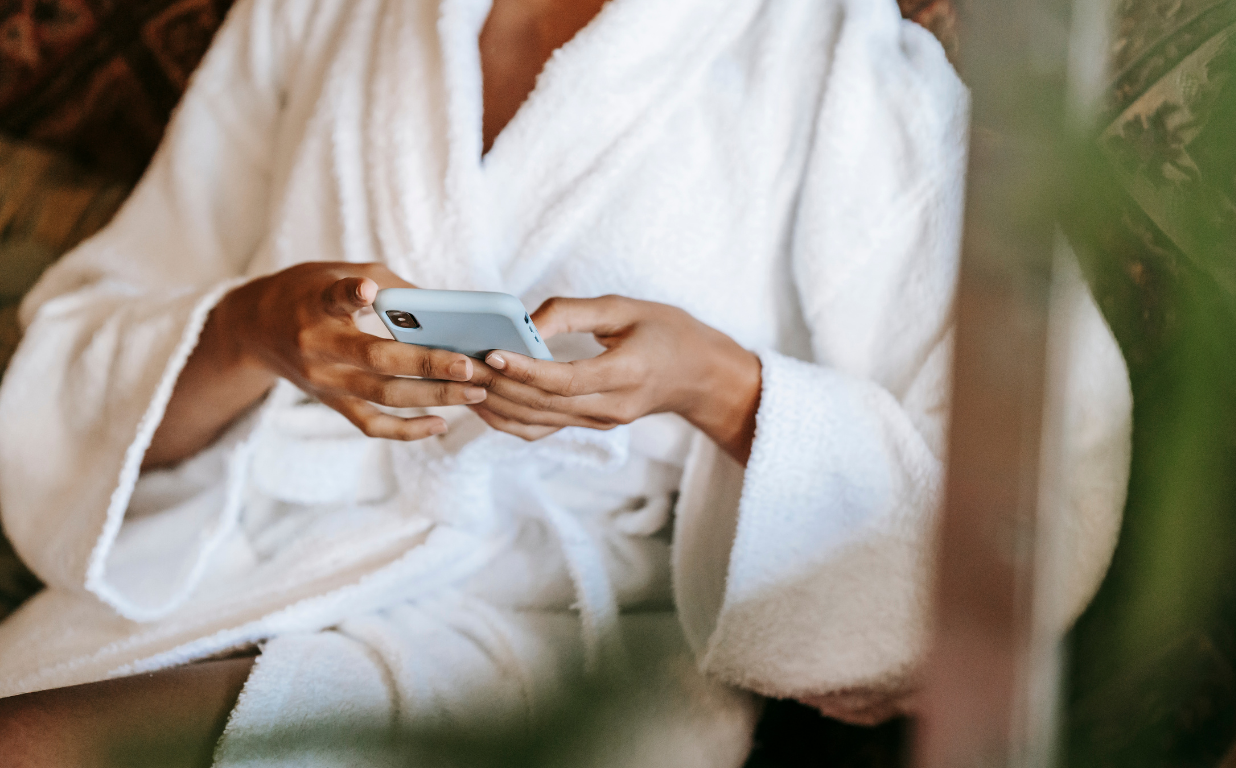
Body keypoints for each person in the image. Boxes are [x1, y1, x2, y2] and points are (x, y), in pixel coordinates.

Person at [0, 0, 1133, 765]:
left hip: (551, 652)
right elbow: (85, 362)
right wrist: (258, 329)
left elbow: (1040, 474)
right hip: (241, 557)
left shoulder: (836, 64)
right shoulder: (323, 11)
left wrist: (719, 388)